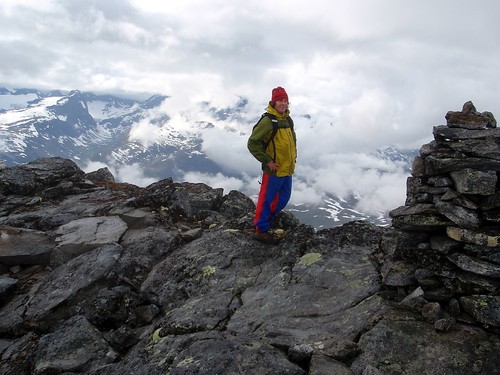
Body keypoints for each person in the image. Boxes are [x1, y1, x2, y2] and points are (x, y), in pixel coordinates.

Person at [247, 86, 297, 245]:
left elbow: (292, 141)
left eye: (285, 100)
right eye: (279, 100)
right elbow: (252, 143)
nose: (283, 103)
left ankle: (267, 220)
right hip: (274, 170)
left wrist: (293, 158)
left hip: (287, 168)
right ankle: (261, 229)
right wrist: (267, 161)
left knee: (283, 198)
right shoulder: (268, 121)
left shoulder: (288, 120)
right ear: (273, 102)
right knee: (266, 199)